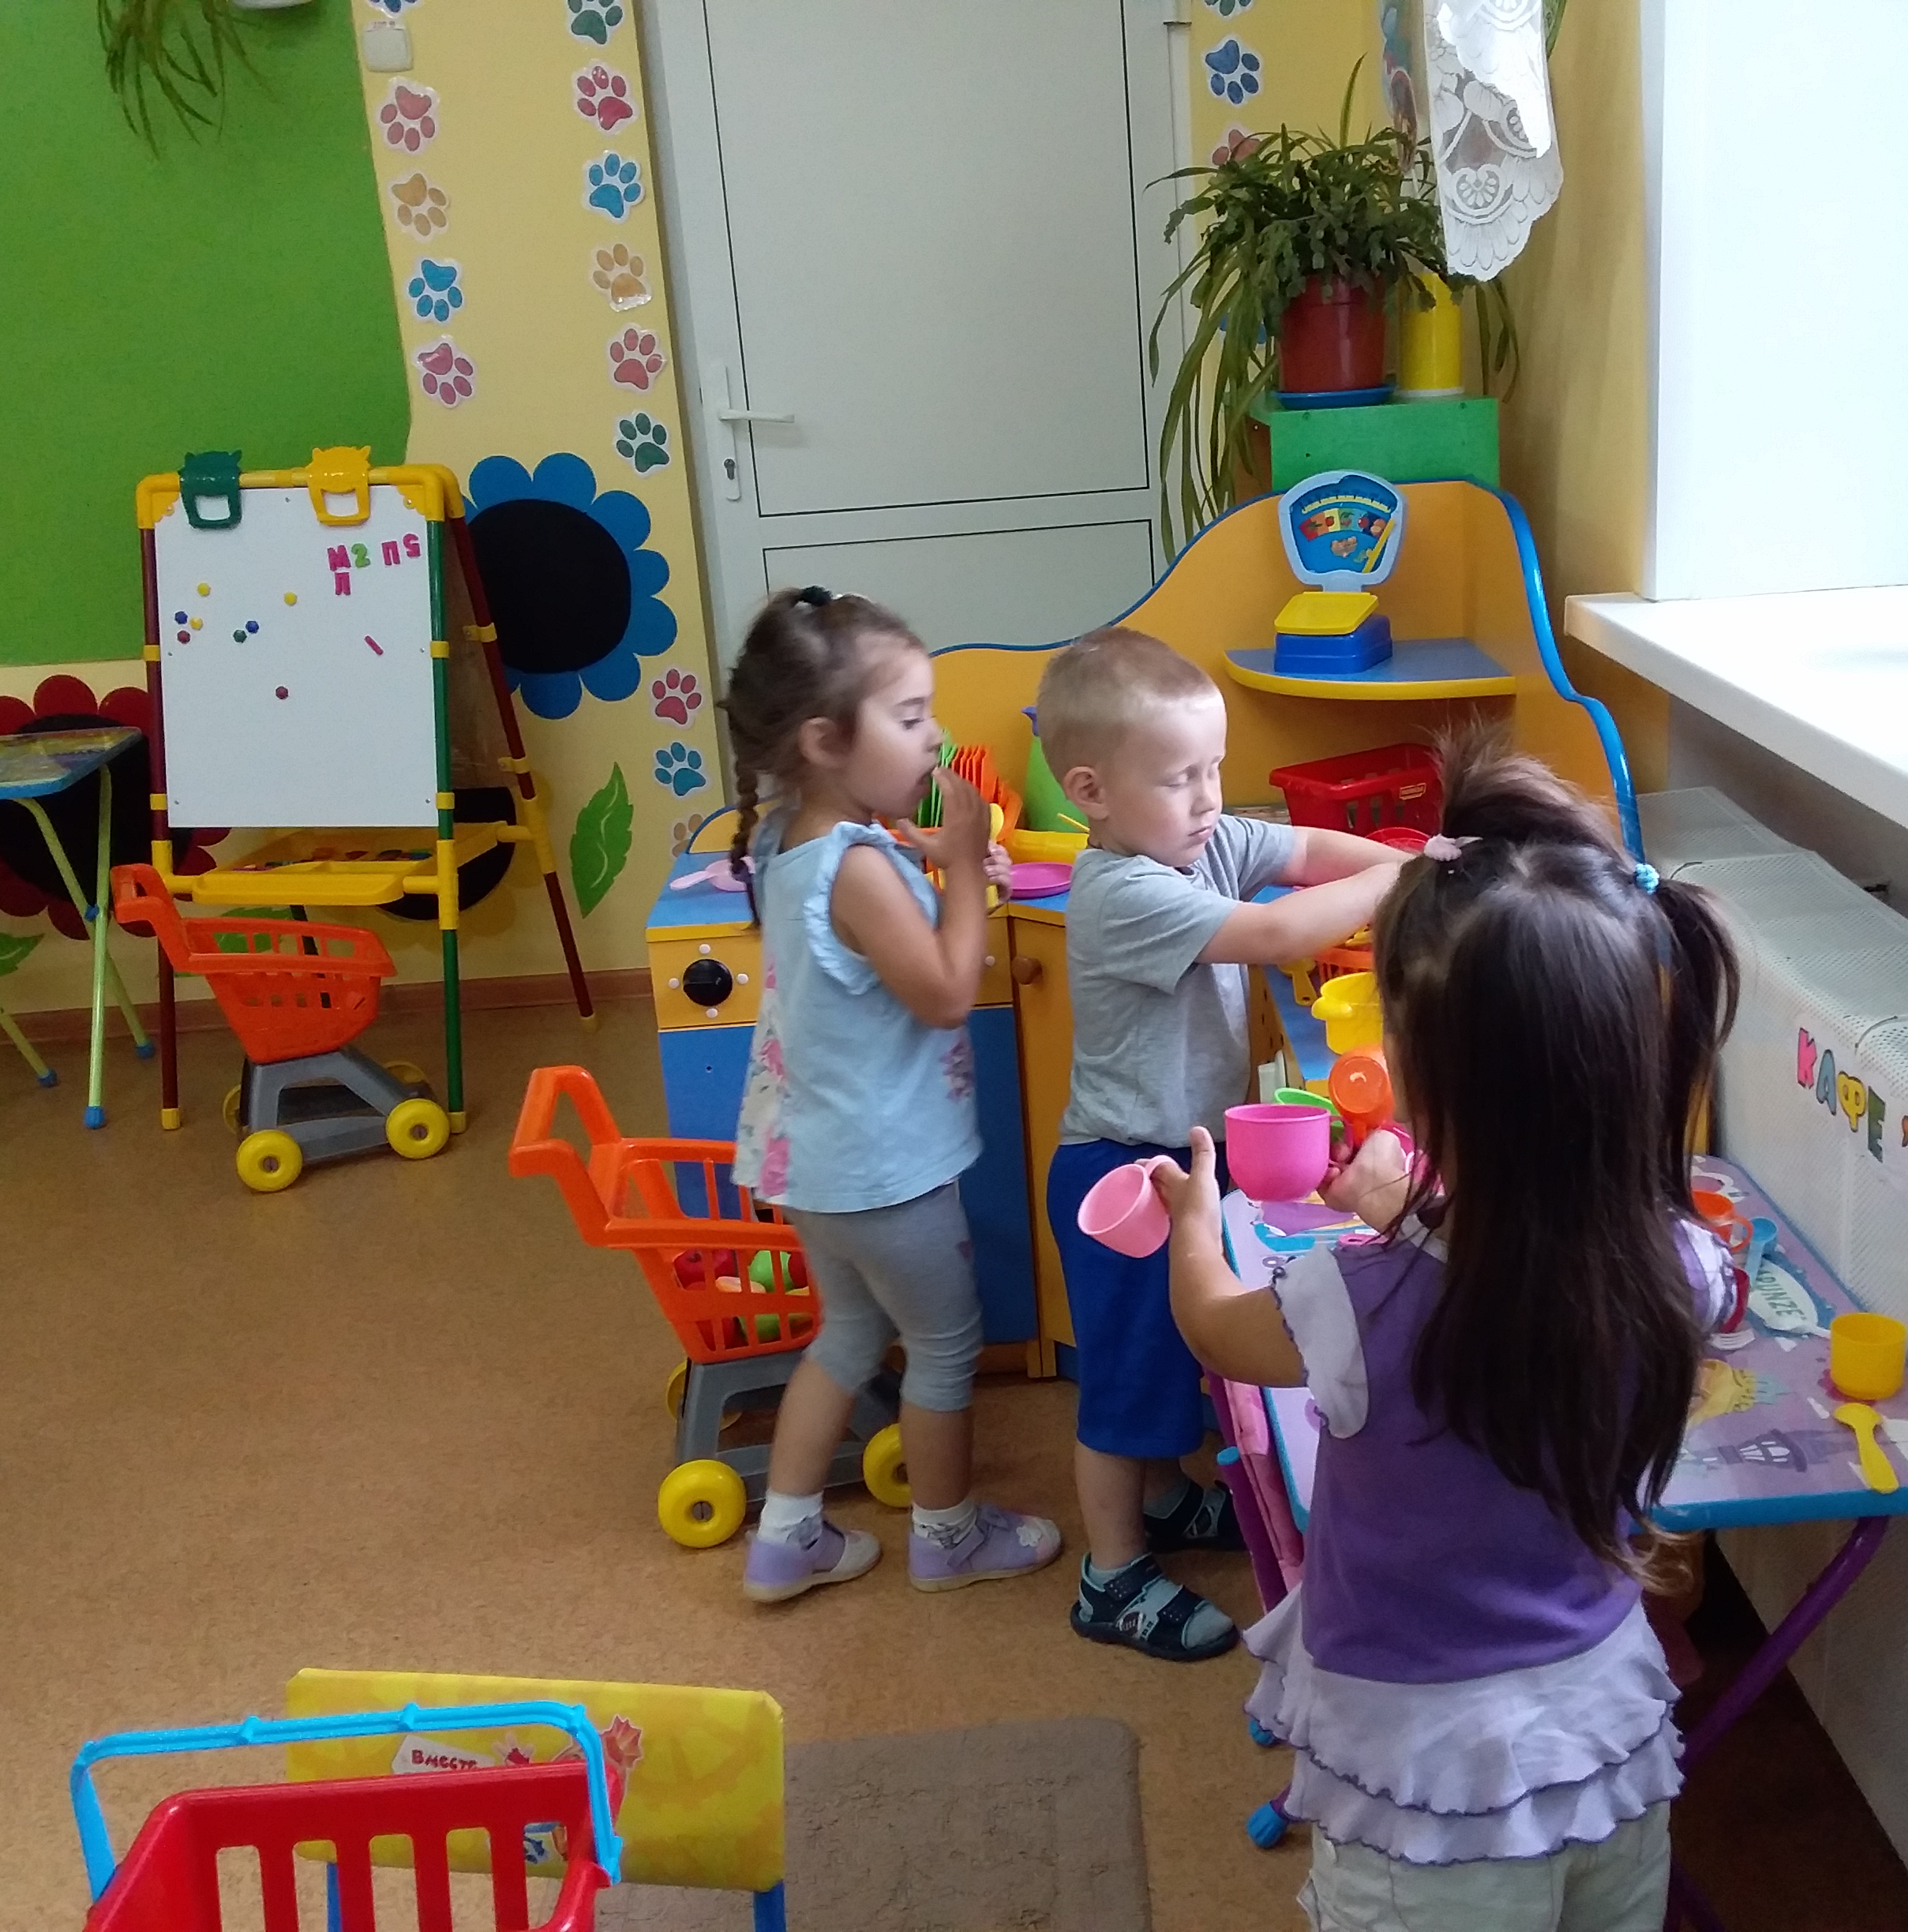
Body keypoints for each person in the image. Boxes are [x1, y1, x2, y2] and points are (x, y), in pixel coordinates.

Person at [1147, 734, 1741, 1930]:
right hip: (1604, 1741)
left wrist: (1192, 1222)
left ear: (1421, 1078)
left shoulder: (1352, 1299)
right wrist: (1402, 1210)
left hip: (1430, 1785)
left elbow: (1214, 1327)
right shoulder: (1684, 1266)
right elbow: (1525, 1256)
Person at [1035, 627, 1404, 1662]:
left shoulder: (1202, 843)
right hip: (1123, 1173)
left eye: (1214, 769)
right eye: (1178, 778)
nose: (1208, 799)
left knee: (1170, 1350)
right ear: (1093, 792)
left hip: (1180, 1157)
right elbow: (1280, 934)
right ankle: (1111, 1577)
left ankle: (1162, 1502)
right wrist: (1405, 886)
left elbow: (1307, 851)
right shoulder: (1120, 890)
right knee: (1126, 1382)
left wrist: (1411, 862)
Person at [722, 585, 1059, 1602]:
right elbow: (947, 992)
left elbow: (881, 956)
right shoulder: (860, 867)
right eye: (910, 718)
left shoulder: (792, 840)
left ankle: (786, 1539)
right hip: (886, 1174)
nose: (936, 737)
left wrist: (948, 869)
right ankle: (947, 1537)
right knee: (946, 1347)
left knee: (848, 1336)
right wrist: (961, 874)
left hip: (815, 1167)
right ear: (826, 740)